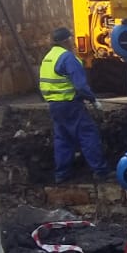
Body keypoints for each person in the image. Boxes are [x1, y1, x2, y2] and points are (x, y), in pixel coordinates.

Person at [40, 27, 107, 183]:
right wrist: (93, 100)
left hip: (54, 106)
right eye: (70, 39)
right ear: (66, 41)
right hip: (70, 104)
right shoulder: (67, 58)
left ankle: (61, 174)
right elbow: (81, 86)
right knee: (87, 134)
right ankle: (100, 170)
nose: (72, 42)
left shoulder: (48, 58)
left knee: (62, 139)